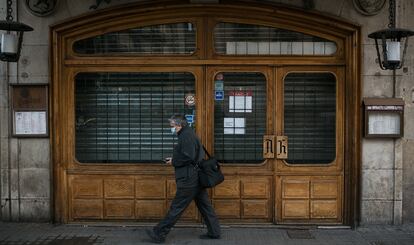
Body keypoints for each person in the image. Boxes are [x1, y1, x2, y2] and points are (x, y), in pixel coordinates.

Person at [146, 114, 221, 243]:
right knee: (205, 206)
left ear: (179, 125)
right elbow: (189, 155)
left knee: (177, 207)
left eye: (172, 126)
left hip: (189, 179)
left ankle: (159, 233)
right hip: (195, 177)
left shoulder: (186, 136)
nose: (172, 128)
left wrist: (174, 161)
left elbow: (189, 157)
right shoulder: (188, 134)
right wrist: (174, 159)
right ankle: (214, 232)